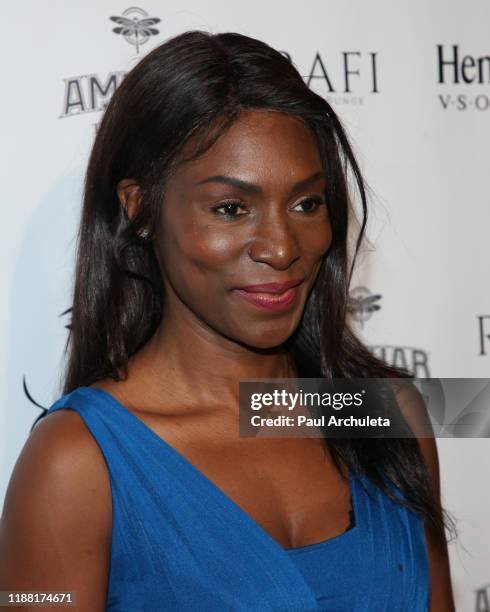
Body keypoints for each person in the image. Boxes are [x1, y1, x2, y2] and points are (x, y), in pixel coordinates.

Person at [0, 30, 456, 611]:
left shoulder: (388, 413)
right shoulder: (75, 463)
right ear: (139, 209)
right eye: (231, 209)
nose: (281, 246)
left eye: (306, 203)